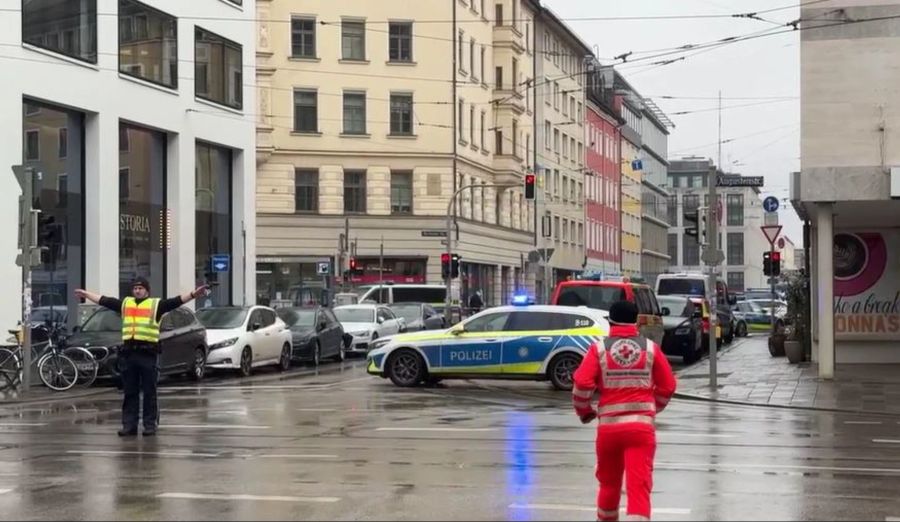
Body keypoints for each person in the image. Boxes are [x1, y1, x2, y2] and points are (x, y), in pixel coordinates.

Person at [572, 300, 677, 522]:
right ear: (636, 322)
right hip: (640, 431)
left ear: (610, 322)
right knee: (638, 487)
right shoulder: (650, 349)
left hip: (609, 431)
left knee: (609, 485)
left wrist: (585, 412)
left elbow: (582, 384)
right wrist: (651, 409)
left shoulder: (598, 349)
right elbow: (668, 386)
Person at [74, 278, 209, 437]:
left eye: (140, 288)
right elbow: (105, 301)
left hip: (148, 354)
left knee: (149, 392)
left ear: (147, 290)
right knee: (130, 392)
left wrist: (193, 294)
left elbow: (175, 302)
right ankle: (129, 426)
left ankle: (149, 425)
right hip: (129, 354)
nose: (137, 290)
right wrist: (86, 294)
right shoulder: (126, 304)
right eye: (135, 288)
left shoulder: (155, 305)